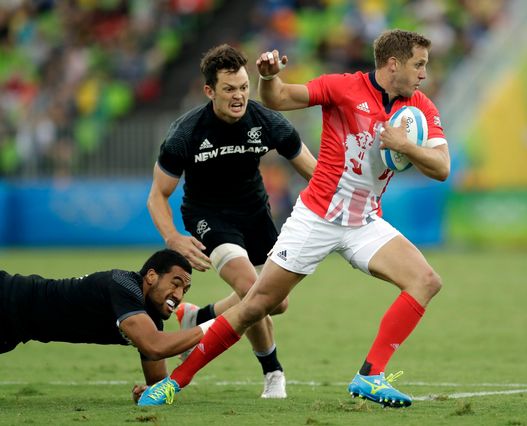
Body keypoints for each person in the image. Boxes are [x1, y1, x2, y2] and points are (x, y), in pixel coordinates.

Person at [139, 29, 450, 408]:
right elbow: (280, 97)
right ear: (393, 64)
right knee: (255, 306)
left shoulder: (421, 108)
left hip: (364, 220)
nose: (423, 74)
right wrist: (268, 77)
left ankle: (370, 376)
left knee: (425, 281)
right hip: (316, 218)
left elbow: (442, 167)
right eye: (418, 65)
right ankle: (174, 383)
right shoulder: (343, 88)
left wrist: (406, 146)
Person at [146, 44, 316, 399]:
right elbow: (157, 194)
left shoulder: (266, 121)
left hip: (256, 215)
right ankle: (273, 373)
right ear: (210, 91)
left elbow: (314, 173)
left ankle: (200, 317)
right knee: (251, 290)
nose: (239, 96)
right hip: (209, 218)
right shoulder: (186, 133)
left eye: (243, 87)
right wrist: (173, 237)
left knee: (277, 302)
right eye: (229, 89)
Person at [0, 249, 210, 404]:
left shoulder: (150, 320)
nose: (179, 296)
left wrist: (150, 392)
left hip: (13, 331)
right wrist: (215, 326)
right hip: (7, 297)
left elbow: (158, 384)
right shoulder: (123, 284)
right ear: (152, 276)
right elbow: (154, 345)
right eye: (176, 283)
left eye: (185, 290)